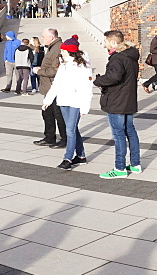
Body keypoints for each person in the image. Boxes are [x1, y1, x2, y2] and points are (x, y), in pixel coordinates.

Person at [93, 29, 142, 178]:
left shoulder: (118, 58)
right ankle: (135, 164)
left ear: (113, 42)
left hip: (117, 101)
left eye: (106, 42)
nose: (104, 45)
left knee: (119, 134)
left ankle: (119, 168)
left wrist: (98, 81)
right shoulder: (131, 56)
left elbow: (114, 77)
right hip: (128, 100)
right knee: (130, 132)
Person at [43, 38, 92, 169]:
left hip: (76, 102)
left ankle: (68, 158)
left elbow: (87, 86)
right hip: (63, 100)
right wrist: (47, 100)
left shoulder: (82, 65)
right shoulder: (63, 64)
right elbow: (56, 84)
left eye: (63, 49)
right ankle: (81, 156)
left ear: (69, 51)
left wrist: (85, 107)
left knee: (69, 130)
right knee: (73, 129)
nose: (61, 51)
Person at [33, 28, 66, 149]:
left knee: (58, 114)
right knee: (47, 113)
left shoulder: (58, 48)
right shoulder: (52, 47)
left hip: (55, 87)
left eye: (43, 36)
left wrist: (39, 71)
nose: (42, 39)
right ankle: (49, 137)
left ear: (51, 37)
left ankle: (65, 139)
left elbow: (56, 70)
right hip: (49, 87)